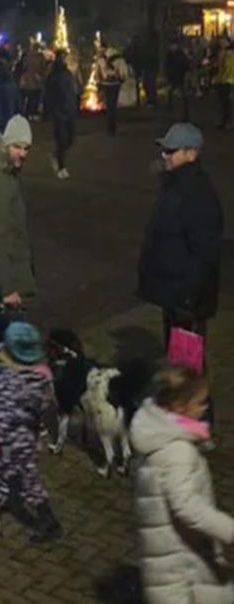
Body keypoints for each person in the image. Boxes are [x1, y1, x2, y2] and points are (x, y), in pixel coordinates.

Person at [137, 123, 223, 426]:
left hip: (187, 299)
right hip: (175, 296)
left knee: (189, 366)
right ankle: (182, 415)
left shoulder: (198, 194)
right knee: (180, 364)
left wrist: (187, 296)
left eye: (171, 151)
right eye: (164, 149)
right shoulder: (173, 185)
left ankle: (198, 422)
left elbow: (205, 253)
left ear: (191, 153)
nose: (165, 155)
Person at [130, 365, 234, 603]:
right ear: (179, 407)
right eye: (200, 402)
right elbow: (185, 506)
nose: (206, 407)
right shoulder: (178, 451)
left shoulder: (155, 436)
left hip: (166, 559)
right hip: (183, 567)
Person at [0, 321, 61, 542]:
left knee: (26, 481)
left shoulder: (7, 383)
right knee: (0, 474)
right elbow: (44, 407)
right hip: (27, 436)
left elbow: (2, 415)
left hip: (10, 440)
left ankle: (48, 521)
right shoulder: (40, 379)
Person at [0, 116, 37, 388]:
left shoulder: (1, 177)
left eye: (26, 148)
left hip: (3, 280)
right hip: (6, 281)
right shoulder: (0, 183)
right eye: (18, 147)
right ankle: (2, 402)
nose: (23, 154)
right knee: (8, 348)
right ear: (6, 145)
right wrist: (7, 288)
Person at [44, 51, 78, 179]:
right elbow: (49, 94)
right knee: (61, 139)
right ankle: (61, 167)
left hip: (69, 110)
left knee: (70, 139)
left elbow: (71, 90)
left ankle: (56, 156)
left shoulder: (67, 73)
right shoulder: (53, 76)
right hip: (59, 111)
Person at [95, 47, 128, 136]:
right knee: (113, 105)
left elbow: (97, 73)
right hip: (115, 84)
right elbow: (124, 72)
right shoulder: (119, 59)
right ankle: (112, 127)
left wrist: (99, 83)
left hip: (106, 84)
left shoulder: (101, 59)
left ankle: (110, 128)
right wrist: (122, 79)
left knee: (109, 105)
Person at [164, 41, 192, 120]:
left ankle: (184, 113)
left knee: (182, 95)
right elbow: (167, 66)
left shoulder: (179, 54)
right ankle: (171, 106)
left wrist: (187, 72)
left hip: (180, 76)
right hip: (174, 76)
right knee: (173, 92)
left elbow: (185, 64)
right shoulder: (171, 55)